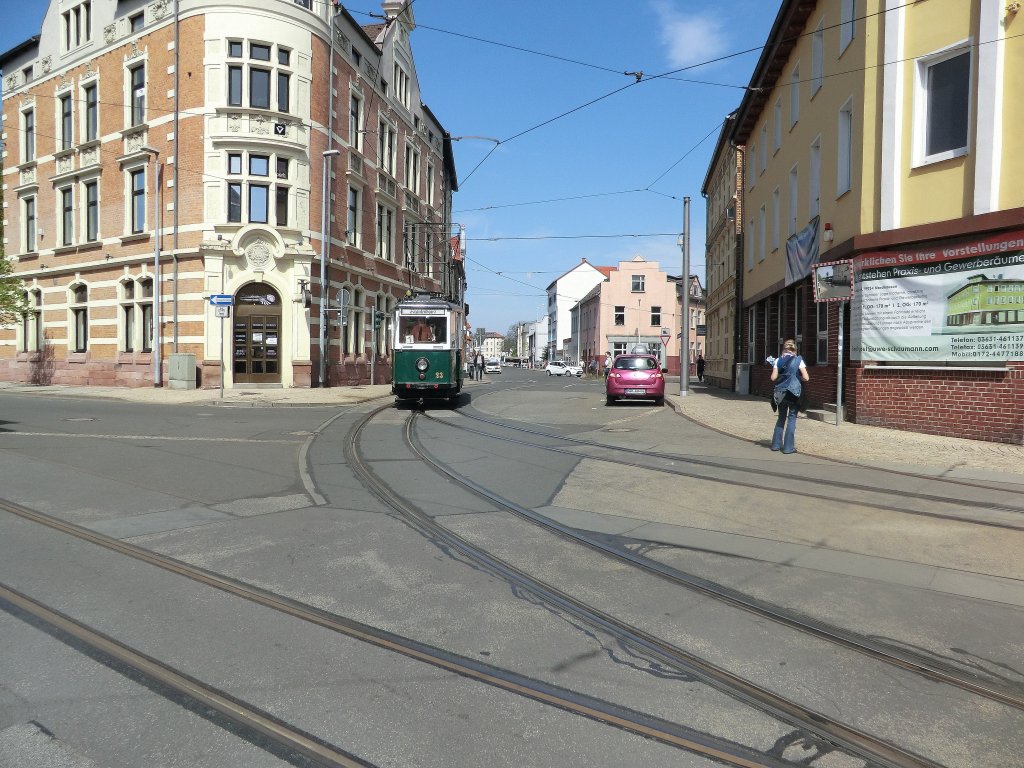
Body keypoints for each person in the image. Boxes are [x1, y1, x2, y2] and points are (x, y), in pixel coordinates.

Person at [770, 339, 809, 454]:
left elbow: (773, 378)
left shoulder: (778, 360)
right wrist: (798, 378)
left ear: (784, 350)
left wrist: (782, 376)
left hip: (781, 393)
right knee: (792, 419)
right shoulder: (799, 360)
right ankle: (788, 448)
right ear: (795, 350)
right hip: (794, 393)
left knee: (781, 418)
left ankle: (776, 445)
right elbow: (806, 378)